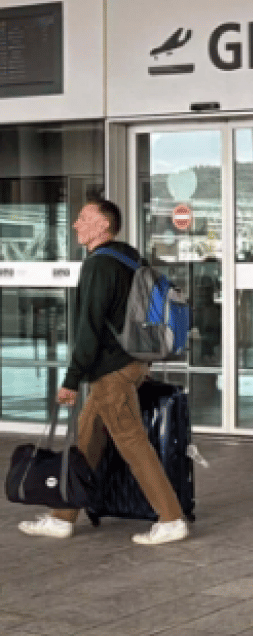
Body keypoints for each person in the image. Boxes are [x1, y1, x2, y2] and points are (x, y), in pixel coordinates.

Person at [18, 199, 189, 545]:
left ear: (102, 226)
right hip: (129, 364)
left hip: (111, 371)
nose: (75, 224)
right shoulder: (130, 259)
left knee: (131, 442)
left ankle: (171, 519)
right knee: (86, 439)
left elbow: (89, 329)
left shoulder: (99, 266)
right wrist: (142, 365)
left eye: (83, 218)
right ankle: (62, 517)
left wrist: (71, 381)